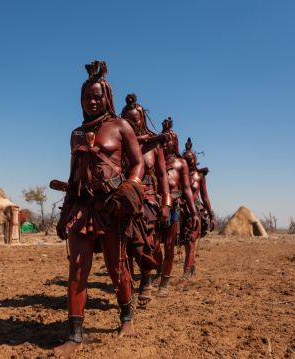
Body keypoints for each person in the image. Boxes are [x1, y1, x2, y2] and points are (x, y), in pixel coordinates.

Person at [53, 61, 145, 359]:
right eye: (87, 97)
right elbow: (72, 173)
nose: (92, 101)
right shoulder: (76, 133)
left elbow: (139, 163)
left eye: (97, 96)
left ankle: (127, 317)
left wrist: (130, 186)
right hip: (82, 207)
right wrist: (64, 211)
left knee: (117, 268)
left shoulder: (121, 126)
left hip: (111, 207)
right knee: (77, 271)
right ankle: (75, 335)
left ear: (107, 97)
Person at [120, 94, 170, 306]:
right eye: (128, 120)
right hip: (123, 197)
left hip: (148, 199)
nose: (133, 123)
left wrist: (166, 202)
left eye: (136, 120)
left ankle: (147, 280)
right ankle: (128, 285)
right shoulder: (117, 142)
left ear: (142, 120)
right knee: (123, 244)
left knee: (149, 243)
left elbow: (162, 176)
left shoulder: (154, 146)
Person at [152, 118, 199, 296]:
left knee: (170, 245)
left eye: (168, 140)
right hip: (154, 206)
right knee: (153, 245)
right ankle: (157, 271)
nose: (164, 144)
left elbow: (186, 188)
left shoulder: (181, 163)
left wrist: (194, 212)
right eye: (162, 140)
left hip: (173, 208)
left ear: (174, 143)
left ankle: (164, 283)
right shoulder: (153, 159)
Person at [180, 137, 215, 280]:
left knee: (190, 242)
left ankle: (186, 273)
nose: (189, 161)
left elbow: (205, 197)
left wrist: (211, 215)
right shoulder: (179, 175)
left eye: (191, 158)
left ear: (195, 159)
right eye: (186, 159)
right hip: (180, 210)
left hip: (196, 211)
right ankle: (192, 268)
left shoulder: (199, 176)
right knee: (182, 241)